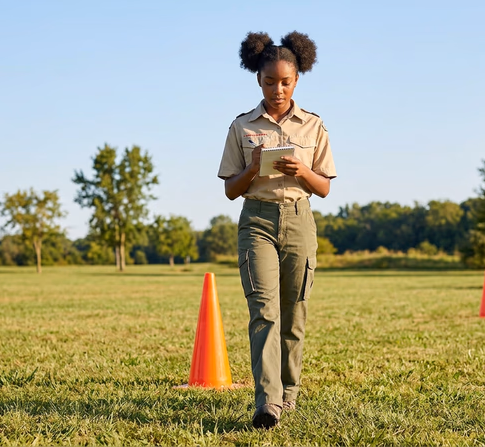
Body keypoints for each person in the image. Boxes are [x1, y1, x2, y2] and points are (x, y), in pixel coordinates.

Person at [218, 31, 336, 429]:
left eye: (285, 81)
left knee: (294, 311)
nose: (277, 89)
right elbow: (230, 191)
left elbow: (324, 187)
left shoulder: (313, 126)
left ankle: (289, 394)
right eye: (270, 81)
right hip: (257, 221)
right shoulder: (241, 126)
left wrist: (302, 170)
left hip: (300, 220)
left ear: (297, 79)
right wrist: (252, 168)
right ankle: (267, 401)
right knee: (263, 311)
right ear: (258, 79)